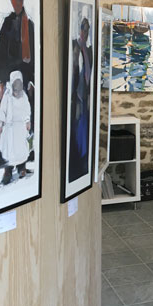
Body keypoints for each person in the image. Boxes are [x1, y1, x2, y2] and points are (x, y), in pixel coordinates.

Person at [0, 0, 35, 169]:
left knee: (26, 115)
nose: (16, 2)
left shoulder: (29, 24)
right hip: (10, 76)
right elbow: (1, 52)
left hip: (25, 77)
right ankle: (6, 161)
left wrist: (32, 80)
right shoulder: (7, 23)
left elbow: (34, 55)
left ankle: (25, 158)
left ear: (23, 0)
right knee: (6, 113)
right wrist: (0, 81)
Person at [69, 17, 92, 182]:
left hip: (85, 95)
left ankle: (83, 156)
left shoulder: (88, 50)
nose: (85, 32)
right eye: (83, 29)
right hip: (75, 95)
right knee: (76, 125)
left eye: (87, 30)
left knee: (83, 125)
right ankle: (76, 157)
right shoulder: (74, 47)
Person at [0, 71, 31, 185]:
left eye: (19, 83)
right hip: (10, 128)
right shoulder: (7, 96)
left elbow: (26, 110)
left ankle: (22, 168)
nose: (17, 86)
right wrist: (1, 123)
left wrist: (27, 121)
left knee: (21, 149)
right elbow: (3, 110)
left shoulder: (24, 96)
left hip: (20, 128)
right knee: (9, 151)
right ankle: (8, 172)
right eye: (15, 83)